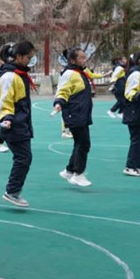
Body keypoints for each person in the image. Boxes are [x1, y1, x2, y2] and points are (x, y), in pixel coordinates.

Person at [0, 41, 37, 207]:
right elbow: (5, 99)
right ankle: (12, 191)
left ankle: (13, 190)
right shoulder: (10, 76)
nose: (30, 61)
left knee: (24, 157)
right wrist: (7, 118)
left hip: (21, 121)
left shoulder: (20, 74)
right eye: (29, 57)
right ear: (19, 56)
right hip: (14, 122)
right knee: (23, 157)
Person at [53, 48, 94, 187]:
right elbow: (62, 90)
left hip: (81, 113)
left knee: (80, 143)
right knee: (84, 143)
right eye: (81, 57)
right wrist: (59, 102)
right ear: (72, 60)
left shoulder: (79, 72)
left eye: (85, 57)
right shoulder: (70, 73)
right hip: (74, 113)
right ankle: (78, 174)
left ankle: (69, 170)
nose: (85, 59)